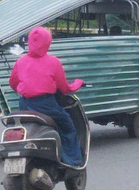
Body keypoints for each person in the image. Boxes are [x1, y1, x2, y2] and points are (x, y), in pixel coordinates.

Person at [9, 27, 84, 166]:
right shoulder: (53, 62)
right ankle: (73, 162)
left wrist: (24, 89)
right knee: (67, 125)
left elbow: (13, 83)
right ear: (47, 43)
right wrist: (78, 83)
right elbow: (65, 89)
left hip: (24, 105)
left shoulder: (20, 62)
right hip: (46, 105)